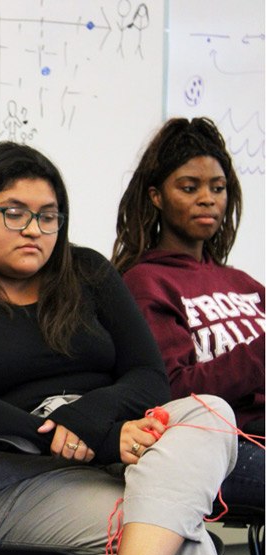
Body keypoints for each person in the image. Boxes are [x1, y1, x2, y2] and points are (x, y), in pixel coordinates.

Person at [0, 141, 238, 555]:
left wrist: (95, 421)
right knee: (183, 541)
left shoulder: (88, 271)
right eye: (14, 213)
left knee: (211, 413)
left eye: (48, 216)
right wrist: (101, 438)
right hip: (13, 482)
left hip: (120, 456)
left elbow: (150, 377)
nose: (34, 229)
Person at [113, 116, 264, 511]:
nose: (208, 199)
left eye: (218, 188)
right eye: (189, 187)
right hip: (217, 447)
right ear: (156, 196)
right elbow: (172, 390)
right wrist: (259, 356)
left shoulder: (245, 284)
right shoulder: (146, 282)